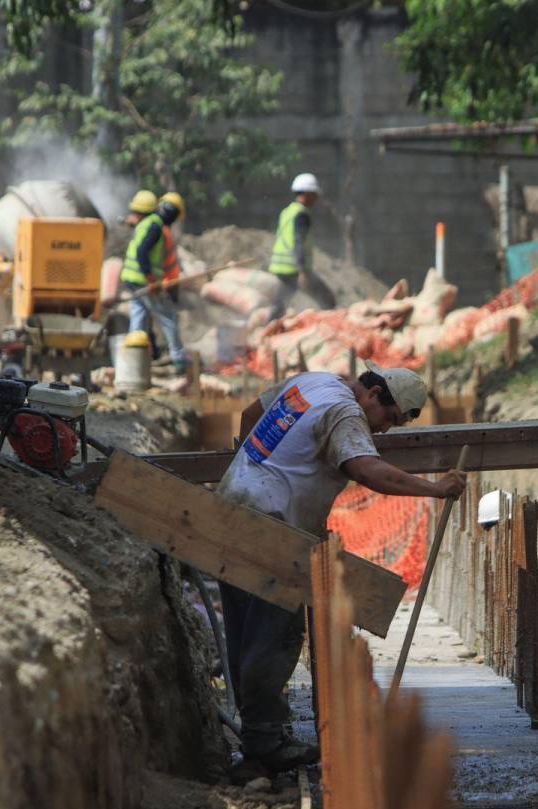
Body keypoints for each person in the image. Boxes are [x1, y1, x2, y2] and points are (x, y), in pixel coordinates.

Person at [218, 362, 467, 777]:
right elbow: (366, 470)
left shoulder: (311, 382)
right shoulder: (345, 412)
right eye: (388, 418)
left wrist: (257, 472)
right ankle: (263, 746)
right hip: (273, 525)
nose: (385, 430)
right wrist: (434, 488)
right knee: (274, 636)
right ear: (373, 396)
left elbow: (249, 415)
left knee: (245, 633)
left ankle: (260, 737)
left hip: (232, 508)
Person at [120, 198, 187, 373]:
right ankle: (179, 360)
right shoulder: (155, 226)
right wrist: (152, 281)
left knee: (139, 317)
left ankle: (135, 360)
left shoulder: (147, 223)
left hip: (132, 279)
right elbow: (142, 253)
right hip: (143, 280)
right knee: (168, 317)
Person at [268, 173, 332, 314]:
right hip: (294, 269)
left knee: (280, 305)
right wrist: (303, 271)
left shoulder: (287, 212)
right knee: (328, 300)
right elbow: (298, 242)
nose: (316, 198)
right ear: (307, 193)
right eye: (314, 194)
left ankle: (268, 329)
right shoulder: (302, 214)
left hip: (280, 267)